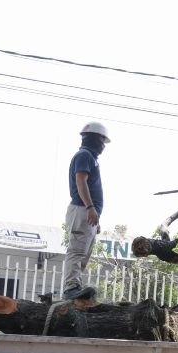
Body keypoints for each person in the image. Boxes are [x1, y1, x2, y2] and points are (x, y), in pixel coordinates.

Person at [62, 122, 110, 300]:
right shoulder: (84, 155)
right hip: (82, 209)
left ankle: (75, 287)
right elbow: (80, 181)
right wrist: (90, 207)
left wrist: (95, 215)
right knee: (77, 251)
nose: (103, 145)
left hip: (87, 213)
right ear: (95, 138)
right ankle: (70, 289)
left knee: (83, 253)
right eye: (102, 141)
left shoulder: (89, 157)